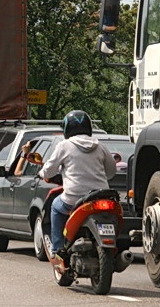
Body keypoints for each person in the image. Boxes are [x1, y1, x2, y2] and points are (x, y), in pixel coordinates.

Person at [39, 110, 117, 265]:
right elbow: (111, 171)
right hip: (100, 196)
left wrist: (42, 173)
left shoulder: (64, 146)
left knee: (55, 206)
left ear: (67, 128)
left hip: (74, 198)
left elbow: (49, 170)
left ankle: (57, 249)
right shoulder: (100, 145)